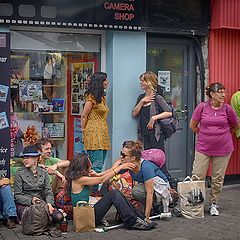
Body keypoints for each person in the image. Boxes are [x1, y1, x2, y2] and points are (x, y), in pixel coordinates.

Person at [66, 152, 156, 230]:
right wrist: (120, 168)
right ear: (84, 166)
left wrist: (94, 175)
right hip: (85, 217)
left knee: (116, 193)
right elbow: (103, 179)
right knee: (114, 193)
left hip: (87, 213)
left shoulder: (78, 178)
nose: (91, 165)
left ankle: (141, 217)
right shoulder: (80, 179)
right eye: (89, 163)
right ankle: (131, 221)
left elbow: (101, 177)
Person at [189, 82, 239, 216]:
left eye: (224, 91)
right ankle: (196, 204)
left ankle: (214, 204)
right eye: (220, 92)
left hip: (223, 149)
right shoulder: (202, 107)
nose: (223, 94)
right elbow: (193, 125)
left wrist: (224, 135)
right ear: (212, 94)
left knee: (217, 178)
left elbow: (235, 125)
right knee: (197, 175)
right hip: (203, 148)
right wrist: (205, 135)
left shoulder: (228, 109)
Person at [132, 71, 173, 183]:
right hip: (144, 134)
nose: (141, 83)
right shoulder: (141, 97)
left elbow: (169, 112)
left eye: (143, 80)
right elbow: (134, 113)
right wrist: (141, 102)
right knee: (146, 160)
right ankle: (152, 183)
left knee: (158, 160)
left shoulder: (157, 98)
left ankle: (166, 183)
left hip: (155, 135)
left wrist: (154, 118)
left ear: (149, 82)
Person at [119, 140, 169, 223]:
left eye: (123, 155)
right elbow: (113, 171)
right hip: (147, 186)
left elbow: (150, 192)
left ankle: (155, 206)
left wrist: (147, 217)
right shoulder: (128, 164)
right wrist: (97, 175)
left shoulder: (146, 167)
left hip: (160, 189)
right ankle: (147, 208)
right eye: (121, 153)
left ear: (133, 158)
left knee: (137, 191)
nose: (121, 157)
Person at [14, 145, 63, 222]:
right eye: (24, 158)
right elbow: (17, 195)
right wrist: (31, 200)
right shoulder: (19, 173)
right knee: (35, 216)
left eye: (27, 157)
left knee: (58, 216)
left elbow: (48, 191)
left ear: (36, 158)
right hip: (26, 204)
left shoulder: (43, 172)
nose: (25, 160)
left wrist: (49, 204)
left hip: (41, 203)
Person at [81, 72, 110, 193]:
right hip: (93, 132)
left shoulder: (102, 97)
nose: (107, 82)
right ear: (100, 82)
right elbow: (84, 116)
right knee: (96, 164)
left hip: (102, 131)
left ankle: (94, 189)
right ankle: (92, 191)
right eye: (105, 80)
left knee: (100, 162)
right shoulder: (91, 98)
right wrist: (83, 132)